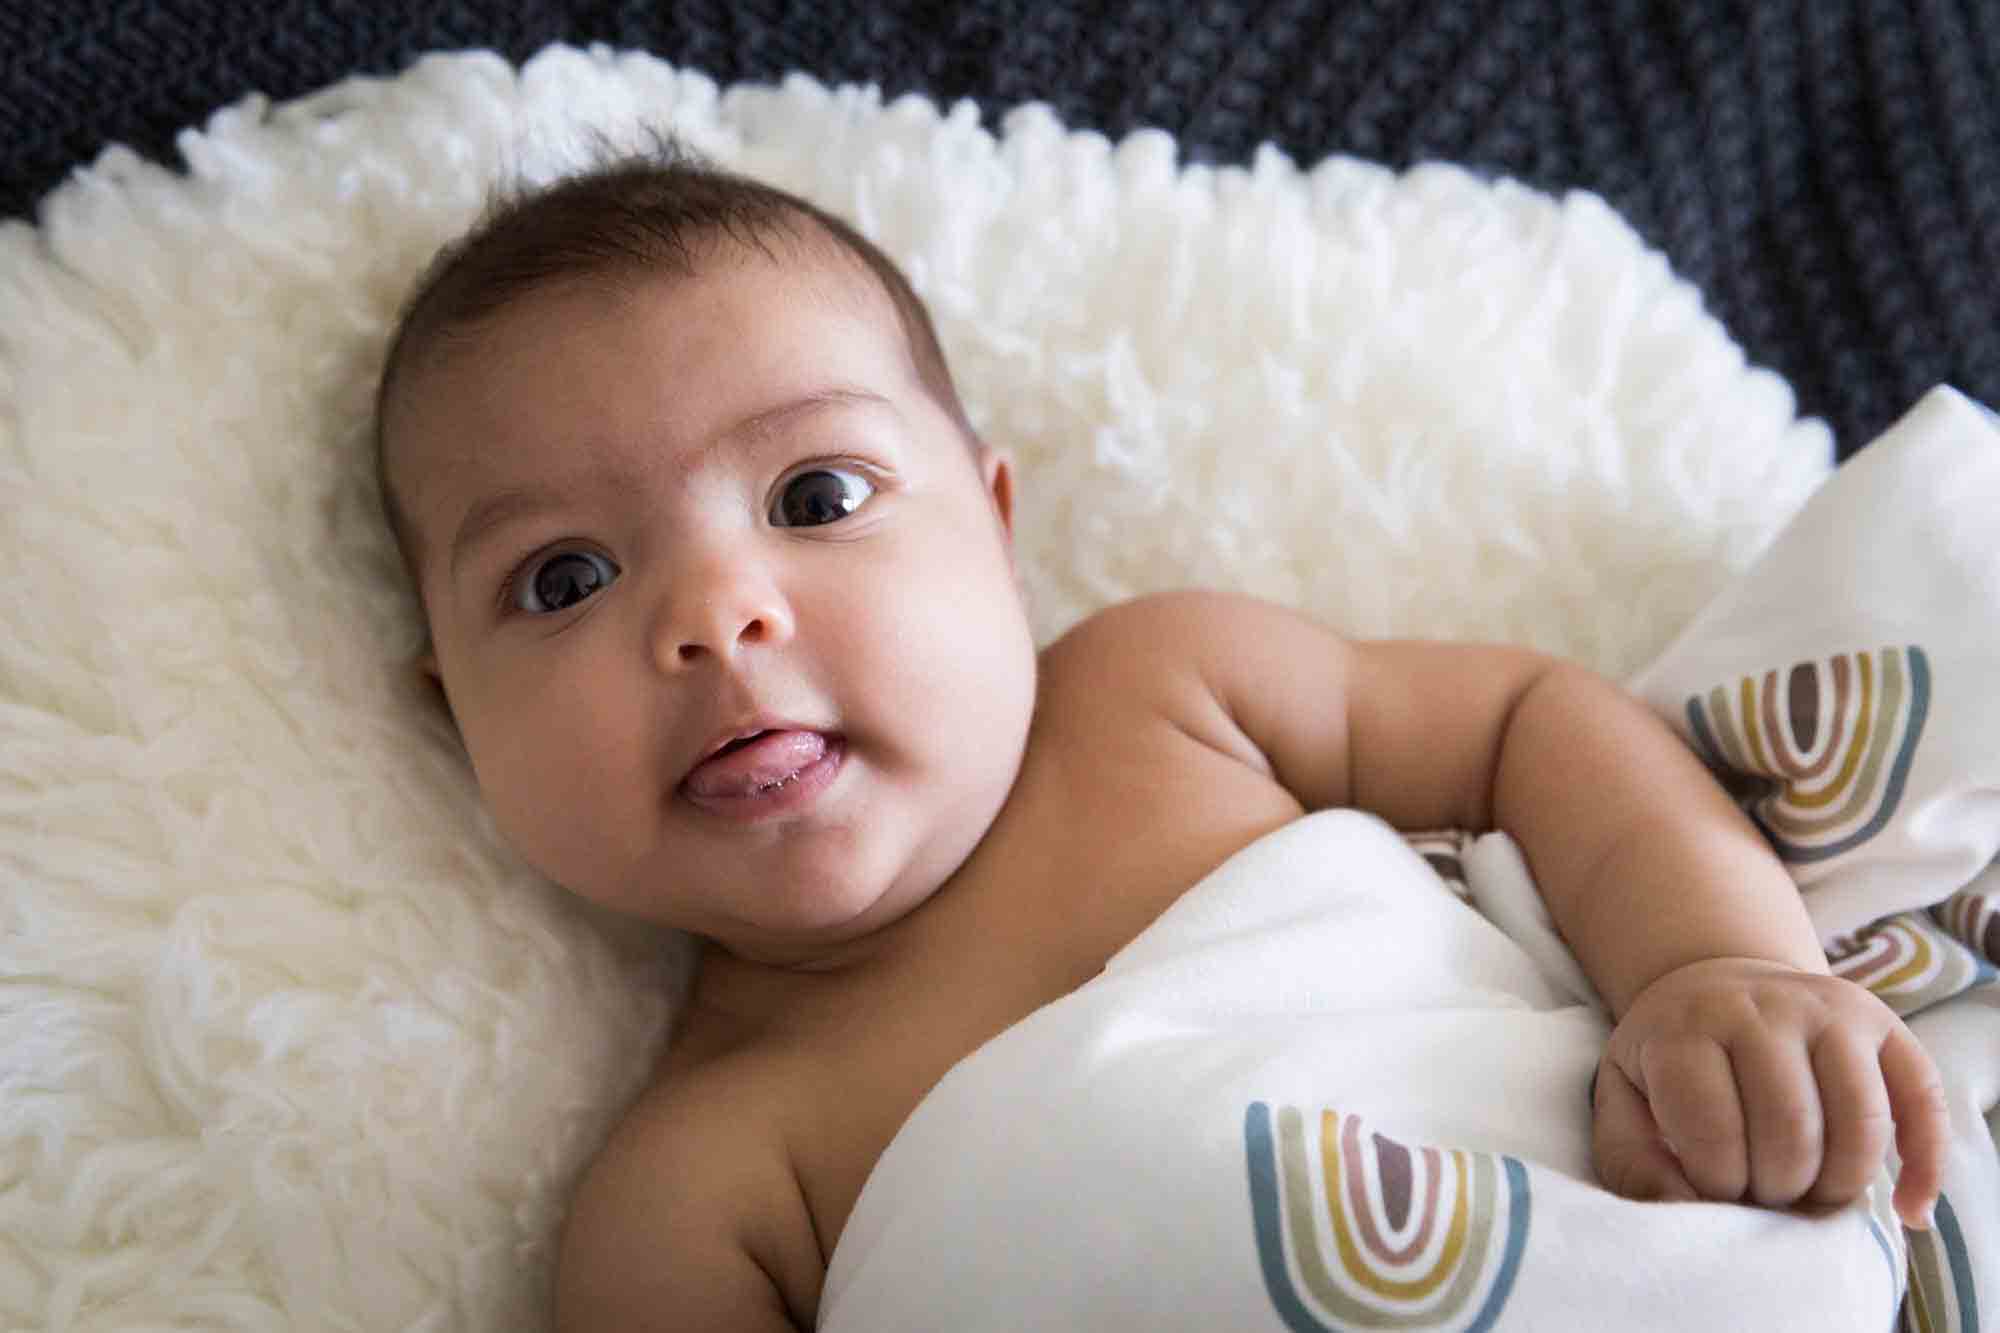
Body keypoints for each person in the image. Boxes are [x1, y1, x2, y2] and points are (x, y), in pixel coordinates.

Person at [371, 142, 1947, 1331]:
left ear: (994, 526)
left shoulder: (1163, 692)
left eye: (816, 497)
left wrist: (1708, 968)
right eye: (564, 576)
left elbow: (1536, 721)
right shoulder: (695, 1190)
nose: (716, 616)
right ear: (454, 705)